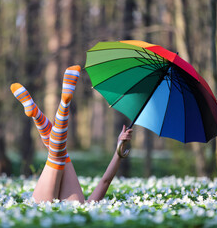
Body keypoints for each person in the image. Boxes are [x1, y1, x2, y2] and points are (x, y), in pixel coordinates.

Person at [10, 65, 133, 203]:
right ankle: (55, 106)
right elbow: (105, 182)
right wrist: (118, 152)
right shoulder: (85, 211)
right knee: (58, 155)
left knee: (59, 155)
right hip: (72, 206)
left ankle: (42, 112)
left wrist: (119, 150)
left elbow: (106, 181)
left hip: (72, 205)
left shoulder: (87, 209)